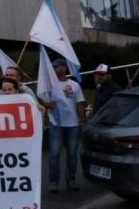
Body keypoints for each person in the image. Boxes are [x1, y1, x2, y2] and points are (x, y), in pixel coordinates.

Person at [45, 58, 86, 193]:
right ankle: (53, 181)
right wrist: (47, 104)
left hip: (72, 123)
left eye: (56, 67)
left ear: (63, 68)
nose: (54, 69)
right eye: (53, 67)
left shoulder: (74, 85)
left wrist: (82, 122)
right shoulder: (48, 84)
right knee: (55, 153)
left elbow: (80, 104)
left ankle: (71, 178)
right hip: (56, 123)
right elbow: (41, 99)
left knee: (72, 153)